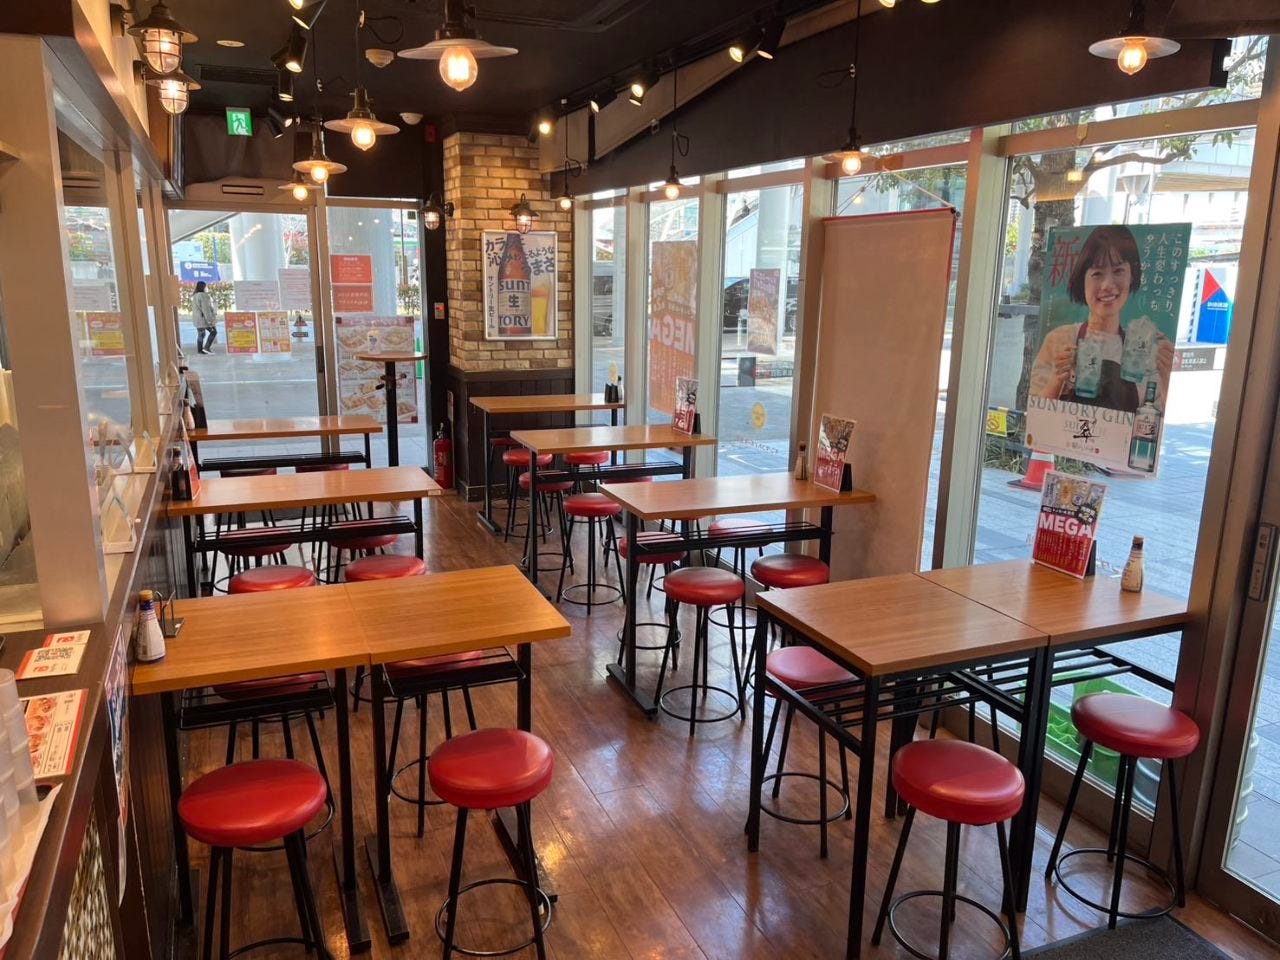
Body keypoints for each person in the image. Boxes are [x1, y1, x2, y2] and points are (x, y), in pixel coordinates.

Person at [1030, 225, 1174, 413]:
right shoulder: (1059, 339)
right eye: (1097, 274)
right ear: (1082, 280)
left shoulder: (1145, 350)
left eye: (1118, 271)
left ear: (1132, 275)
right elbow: (1035, 416)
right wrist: (1057, 379)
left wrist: (1167, 378)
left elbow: (1155, 422)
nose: (1107, 285)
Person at [192, 281, 219, 354]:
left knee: (201, 335)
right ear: (203, 287)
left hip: (197, 320)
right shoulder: (203, 296)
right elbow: (206, 309)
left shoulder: (195, 295)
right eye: (206, 286)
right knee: (214, 332)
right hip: (204, 319)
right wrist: (210, 321)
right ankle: (206, 347)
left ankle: (200, 350)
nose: (207, 288)